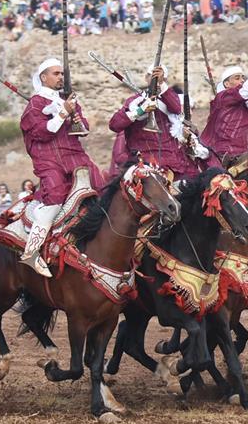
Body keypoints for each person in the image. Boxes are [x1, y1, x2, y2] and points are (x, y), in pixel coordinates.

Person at [18, 58, 105, 276]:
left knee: (103, 187)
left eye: (61, 74)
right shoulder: (35, 104)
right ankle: (31, 251)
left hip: (75, 155)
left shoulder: (68, 99)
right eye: (55, 74)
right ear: (43, 77)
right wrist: (63, 113)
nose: (60, 77)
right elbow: (40, 132)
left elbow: (83, 129)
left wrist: (75, 116)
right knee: (55, 194)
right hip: (49, 158)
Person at [109, 65, 209, 179]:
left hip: (179, 166)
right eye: (153, 76)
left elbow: (176, 108)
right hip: (148, 164)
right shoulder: (134, 102)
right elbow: (114, 124)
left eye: (161, 78)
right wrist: (140, 111)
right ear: (146, 78)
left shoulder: (172, 102)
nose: (156, 80)